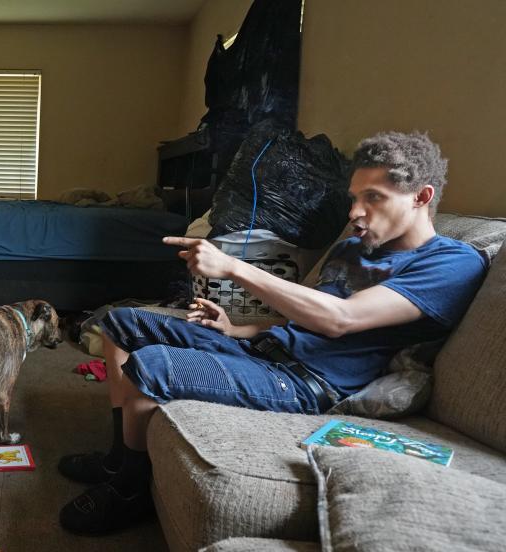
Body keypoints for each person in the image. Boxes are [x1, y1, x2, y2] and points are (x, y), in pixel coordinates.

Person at [57, 131, 488, 535]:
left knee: (150, 366)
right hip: (265, 351)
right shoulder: (351, 247)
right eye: (355, 198)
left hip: (309, 383)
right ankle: (119, 460)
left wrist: (233, 267)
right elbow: (304, 313)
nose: (355, 212)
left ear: (421, 197)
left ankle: (131, 489)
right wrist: (237, 328)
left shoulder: (451, 264)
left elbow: (341, 318)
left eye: (373, 198)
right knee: (121, 323)